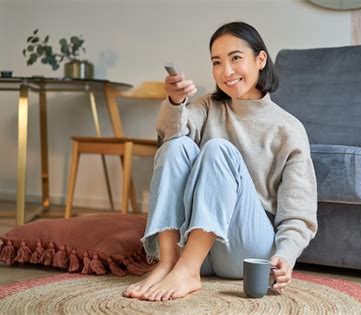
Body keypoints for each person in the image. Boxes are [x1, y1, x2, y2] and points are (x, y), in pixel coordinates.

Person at [124, 21, 317, 302]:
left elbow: (299, 214)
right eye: (217, 62)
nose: (225, 72)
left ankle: (187, 271)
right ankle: (168, 262)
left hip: (245, 251)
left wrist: (284, 257)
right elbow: (170, 134)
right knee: (175, 145)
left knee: (217, 149)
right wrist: (175, 102)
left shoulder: (288, 129)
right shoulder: (207, 106)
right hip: (193, 246)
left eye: (236, 58)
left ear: (260, 59)